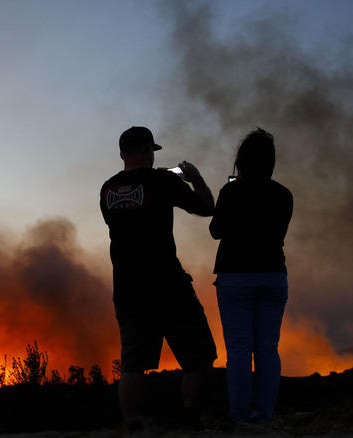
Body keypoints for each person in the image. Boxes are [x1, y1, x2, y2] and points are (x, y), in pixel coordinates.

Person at [100, 126, 217, 429]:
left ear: (123, 153)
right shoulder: (163, 181)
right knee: (199, 355)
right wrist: (194, 179)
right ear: (148, 149)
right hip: (166, 284)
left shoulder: (107, 189)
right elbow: (206, 208)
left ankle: (133, 428)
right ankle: (192, 424)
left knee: (133, 366)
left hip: (126, 289)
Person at [209, 128, 293, 424]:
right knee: (268, 349)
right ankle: (266, 413)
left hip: (235, 278)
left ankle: (240, 416)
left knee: (240, 351)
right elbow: (277, 232)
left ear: (242, 161)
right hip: (272, 276)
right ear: (270, 162)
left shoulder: (230, 192)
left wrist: (231, 196)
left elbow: (215, 231)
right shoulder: (284, 195)